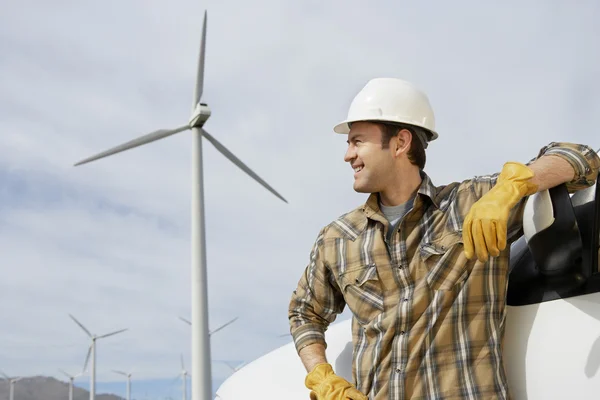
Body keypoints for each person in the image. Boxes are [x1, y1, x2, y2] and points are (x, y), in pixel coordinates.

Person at [288, 77, 600, 400]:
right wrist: (321, 376)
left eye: (357, 141)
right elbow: (303, 312)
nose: (348, 155)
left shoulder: (473, 203)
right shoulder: (337, 239)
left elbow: (583, 158)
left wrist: (514, 187)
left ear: (400, 143)